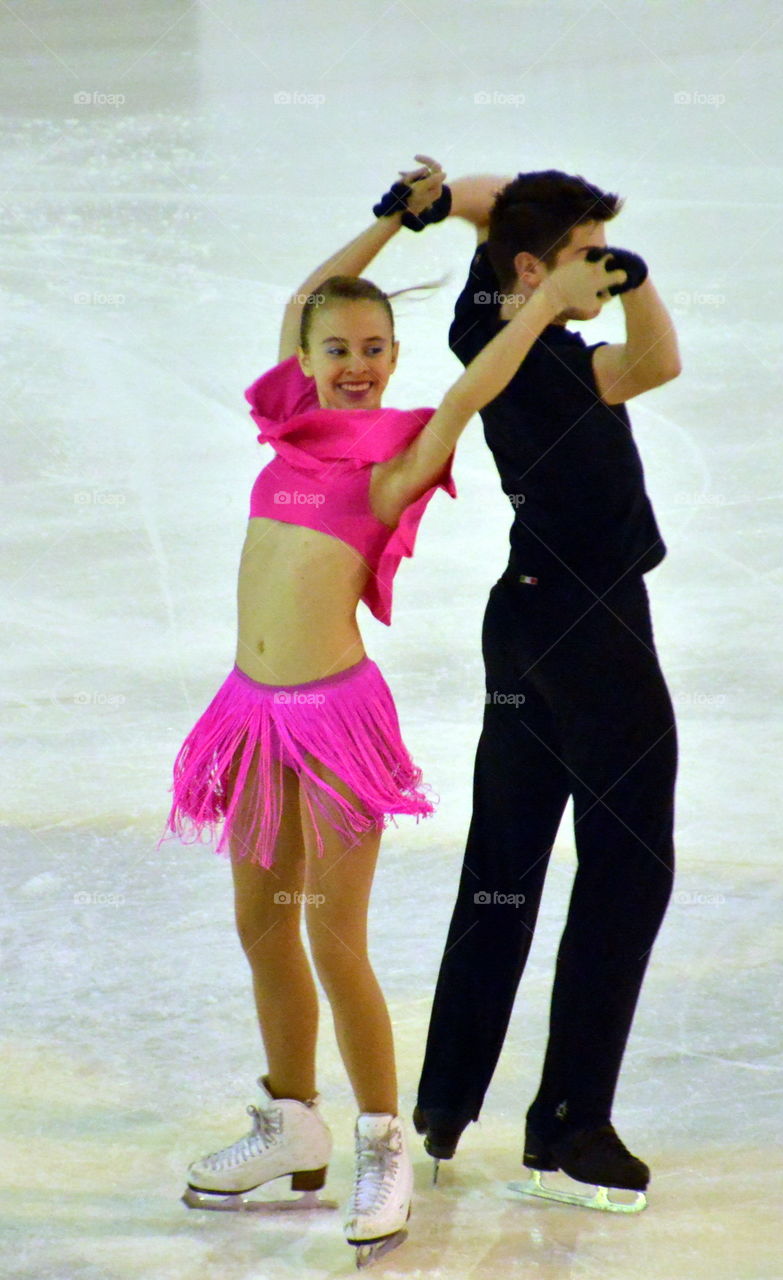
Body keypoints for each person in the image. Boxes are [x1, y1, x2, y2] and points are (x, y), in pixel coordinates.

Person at [158, 155, 624, 1262]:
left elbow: (469, 393)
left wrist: (548, 304)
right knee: (260, 922)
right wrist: (383, 228)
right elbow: (297, 302)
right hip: (248, 715)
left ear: (392, 360)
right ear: (310, 359)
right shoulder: (288, 426)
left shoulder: (390, 455)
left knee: (334, 933)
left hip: (330, 724)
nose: (358, 366)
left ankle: (380, 1145)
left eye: (375, 350)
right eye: (339, 349)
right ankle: (292, 1122)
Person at [414, 169, 682, 1214]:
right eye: (589, 253)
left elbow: (651, 357)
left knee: (505, 864)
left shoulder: (521, 339)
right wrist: (541, 270)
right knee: (628, 866)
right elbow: (638, 365)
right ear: (534, 268)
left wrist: (453, 206)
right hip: (593, 636)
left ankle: (446, 1094)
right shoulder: (520, 356)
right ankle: (570, 1120)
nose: (604, 271)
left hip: (526, 623)